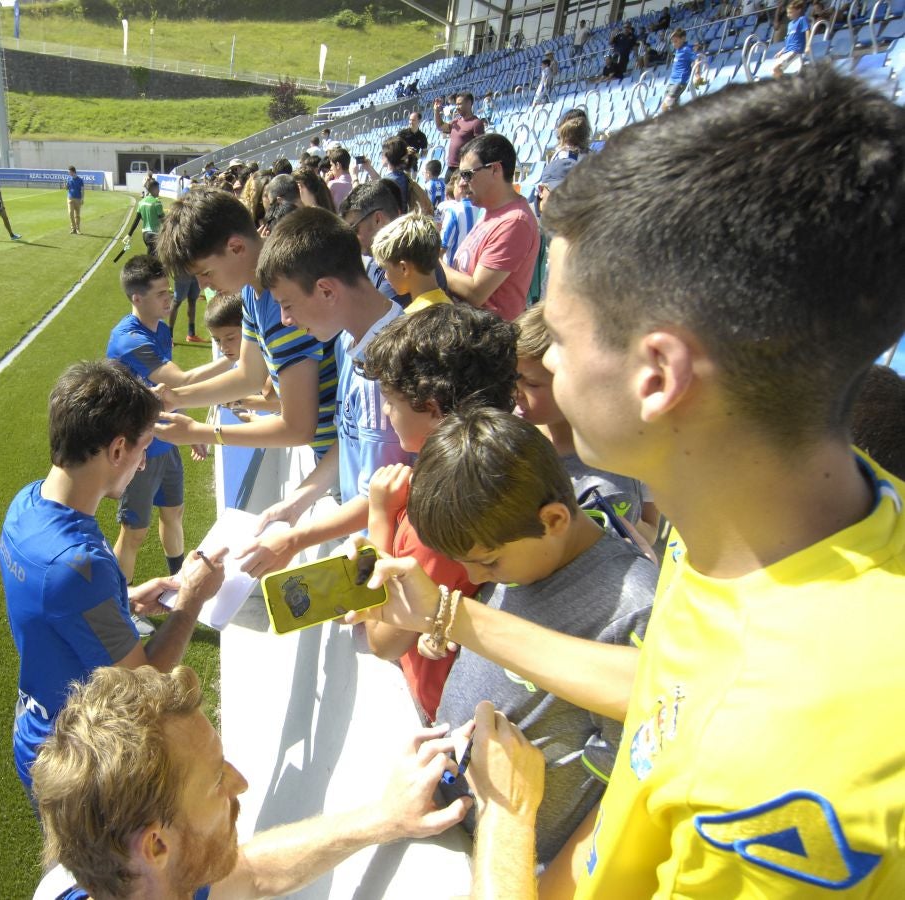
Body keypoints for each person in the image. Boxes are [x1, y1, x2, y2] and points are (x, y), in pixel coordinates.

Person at [368, 66, 905, 897]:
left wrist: (506, 827)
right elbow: (667, 686)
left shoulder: (800, 755)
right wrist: (453, 616)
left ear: (656, 375)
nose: (536, 361)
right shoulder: (773, 521)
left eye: (562, 339)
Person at [398, 406, 656, 870]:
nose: (475, 578)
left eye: (489, 563)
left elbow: (622, 780)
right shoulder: (525, 547)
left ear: (555, 519)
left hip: (525, 862)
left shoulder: (635, 608)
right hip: (459, 823)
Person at [30, 665, 474, 900]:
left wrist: (387, 817)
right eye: (216, 780)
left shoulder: (99, 881)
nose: (240, 785)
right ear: (156, 846)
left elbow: (256, 873)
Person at [0, 360, 226, 799]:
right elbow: (146, 690)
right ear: (117, 450)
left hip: (37, 728)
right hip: (80, 764)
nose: (143, 465)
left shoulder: (25, 505)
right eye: (143, 450)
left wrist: (125, 600)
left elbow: (58, 609)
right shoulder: (78, 567)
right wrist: (192, 598)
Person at [352, 303, 520, 720]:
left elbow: (385, 640)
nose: (388, 415)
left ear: (431, 406)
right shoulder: (502, 464)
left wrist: (380, 517)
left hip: (443, 706)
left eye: (390, 402)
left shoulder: (443, 514)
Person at [236, 208, 410, 579]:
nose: (285, 320)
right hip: (364, 546)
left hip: (390, 563)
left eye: (287, 304)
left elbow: (386, 495)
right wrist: (294, 504)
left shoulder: (393, 371)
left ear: (327, 290)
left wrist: (296, 540)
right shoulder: (349, 337)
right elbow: (348, 443)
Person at [151, 188, 337, 459]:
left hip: (346, 464)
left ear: (236, 247)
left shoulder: (284, 304)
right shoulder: (253, 291)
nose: (203, 285)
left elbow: (298, 429)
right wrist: (176, 397)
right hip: (333, 457)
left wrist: (200, 432)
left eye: (205, 273)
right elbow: (249, 376)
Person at [106, 255, 233, 580]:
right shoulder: (130, 340)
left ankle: (177, 584)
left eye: (169, 290)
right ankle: (126, 607)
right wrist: (240, 354)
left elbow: (168, 394)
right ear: (137, 298)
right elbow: (182, 382)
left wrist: (190, 432)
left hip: (163, 442)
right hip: (139, 452)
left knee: (173, 513)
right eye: (161, 293)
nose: (170, 298)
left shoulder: (160, 329)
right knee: (134, 533)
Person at [515, 304, 661, 542]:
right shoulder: (516, 427)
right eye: (513, 377)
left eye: (531, 384)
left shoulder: (610, 478)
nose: (515, 392)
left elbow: (649, 529)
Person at [443, 134, 541, 322]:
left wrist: (432, 263)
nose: (462, 183)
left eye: (467, 174)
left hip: (489, 342)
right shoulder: (488, 211)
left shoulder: (514, 222)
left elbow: (476, 292)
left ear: (495, 169)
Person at [371, 213, 448, 313]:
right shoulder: (450, 307)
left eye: (386, 268)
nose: (385, 276)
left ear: (404, 268)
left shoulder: (409, 321)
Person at [440, 92, 486, 182]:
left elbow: (479, 147)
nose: (457, 107)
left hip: (464, 168)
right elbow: (440, 126)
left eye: (459, 104)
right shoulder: (456, 121)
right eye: (456, 104)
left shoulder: (476, 123)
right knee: (448, 194)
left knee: (462, 194)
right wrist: (436, 111)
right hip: (451, 167)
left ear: (469, 104)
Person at [437, 176, 480, 268]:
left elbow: (442, 246)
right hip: (473, 269)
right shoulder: (482, 210)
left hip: (453, 270)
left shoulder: (454, 211)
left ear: (460, 188)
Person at [125, 177, 165, 255]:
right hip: (154, 235)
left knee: (152, 257)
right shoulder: (157, 202)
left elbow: (136, 220)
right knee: (153, 260)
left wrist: (129, 234)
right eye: (157, 189)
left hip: (145, 236)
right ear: (153, 190)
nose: (159, 191)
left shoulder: (141, 202)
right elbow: (163, 220)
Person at [772, 0, 809, 76]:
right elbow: (788, 40)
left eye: (790, 12)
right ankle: (785, 83)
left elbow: (807, 31)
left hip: (795, 51)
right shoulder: (790, 24)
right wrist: (782, 51)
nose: (788, 15)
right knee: (774, 72)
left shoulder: (802, 19)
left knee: (777, 68)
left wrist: (808, 45)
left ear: (798, 10)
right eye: (787, 13)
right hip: (787, 51)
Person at [662, 28, 696, 111]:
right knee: (674, 107)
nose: (674, 44)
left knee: (666, 105)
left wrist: (697, 74)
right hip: (672, 82)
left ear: (683, 39)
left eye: (676, 41)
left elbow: (696, 59)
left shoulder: (686, 50)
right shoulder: (679, 50)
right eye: (672, 42)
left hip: (680, 82)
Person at [65, 165, 84, 234]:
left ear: (73, 172)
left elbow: (82, 190)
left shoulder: (80, 180)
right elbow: (67, 188)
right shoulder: (69, 179)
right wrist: (66, 186)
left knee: (77, 215)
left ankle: (78, 229)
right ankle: (73, 228)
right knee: (70, 213)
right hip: (70, 198)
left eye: (69, 172)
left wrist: (82, 198)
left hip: (78, 199)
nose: (69, 173)